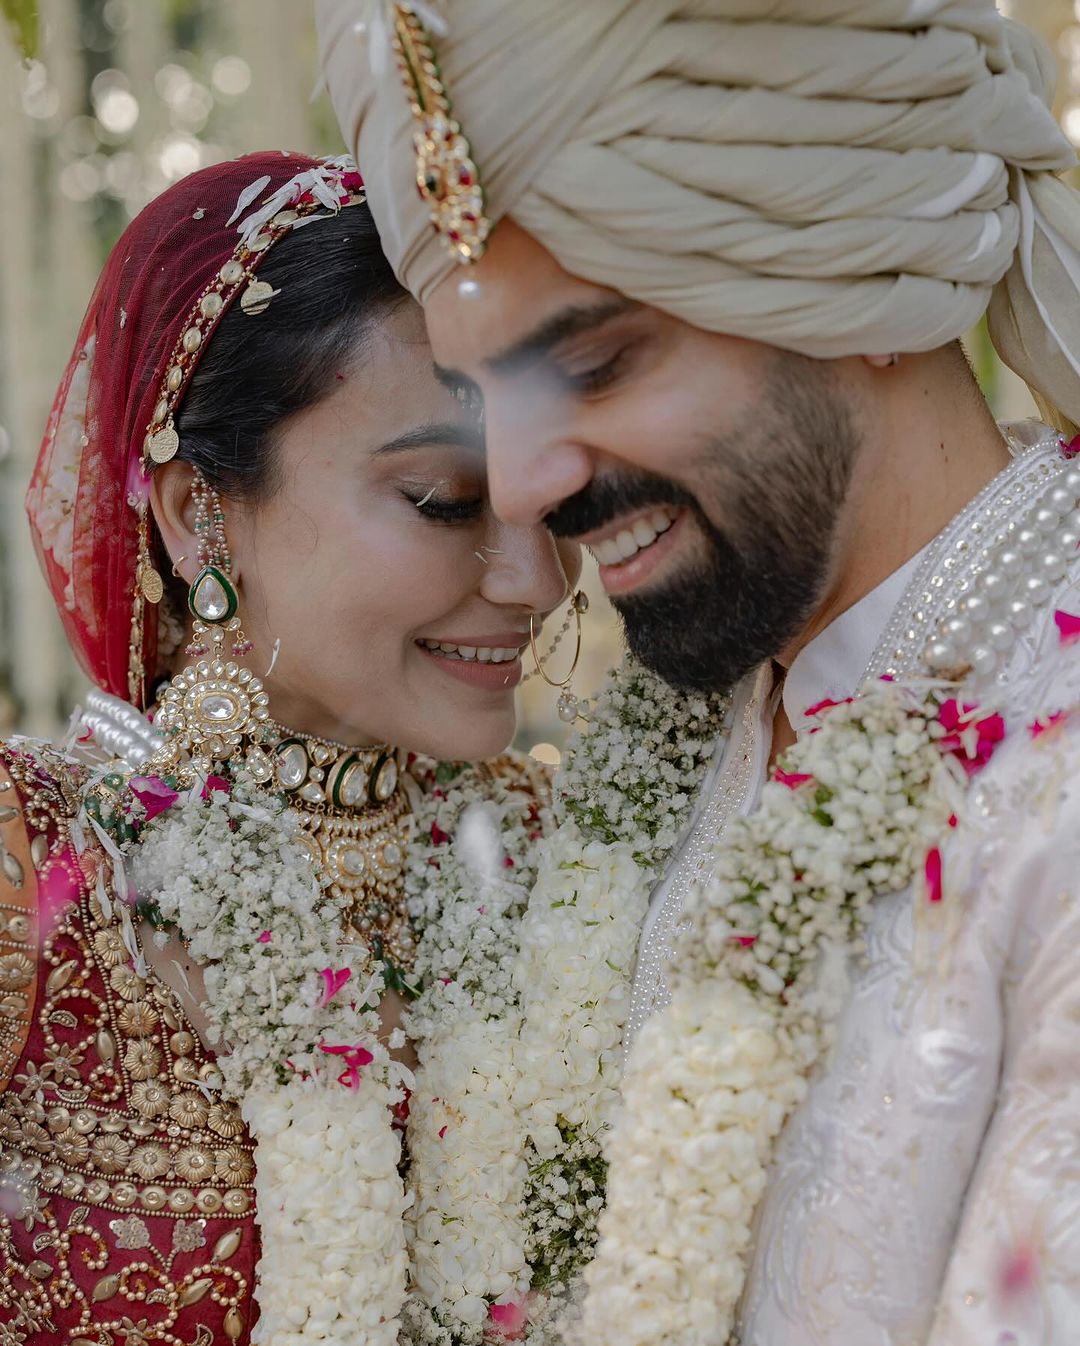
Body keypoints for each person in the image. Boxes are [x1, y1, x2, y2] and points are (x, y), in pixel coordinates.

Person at [320, 3, 1080, 1343]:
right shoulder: (695, 724)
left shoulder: (1052, 772)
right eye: (485, 394)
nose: (522, 484)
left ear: (862, 276)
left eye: (597, 362)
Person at [0, 151, 582, 1345]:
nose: (537, 581)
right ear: (192, 513)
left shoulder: (571, 855)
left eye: (552, 499)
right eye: (441, 498)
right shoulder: (36, 865)